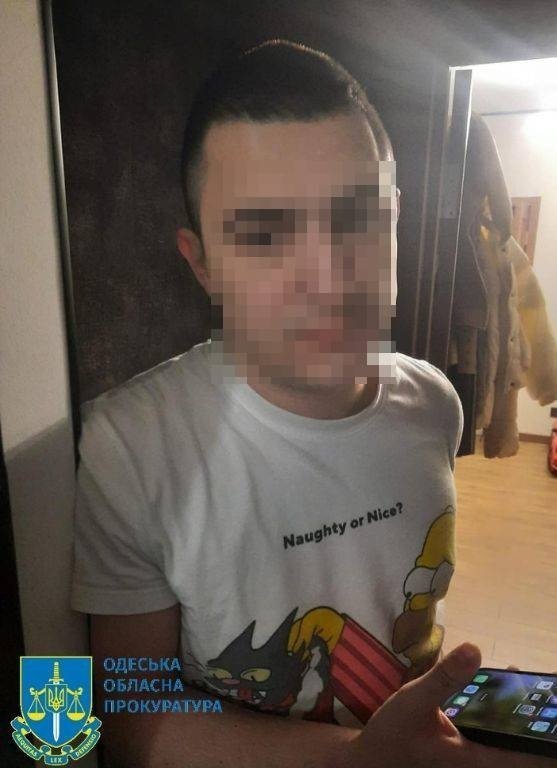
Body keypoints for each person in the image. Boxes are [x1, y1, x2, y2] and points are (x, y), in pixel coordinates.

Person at [70, 39, 552, 768]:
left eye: (357, 220)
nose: (327, 278)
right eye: (264, 235)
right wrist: (359, 756)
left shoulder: (433, 403)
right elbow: (133, 718)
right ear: (202, 264)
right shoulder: (131, 446)